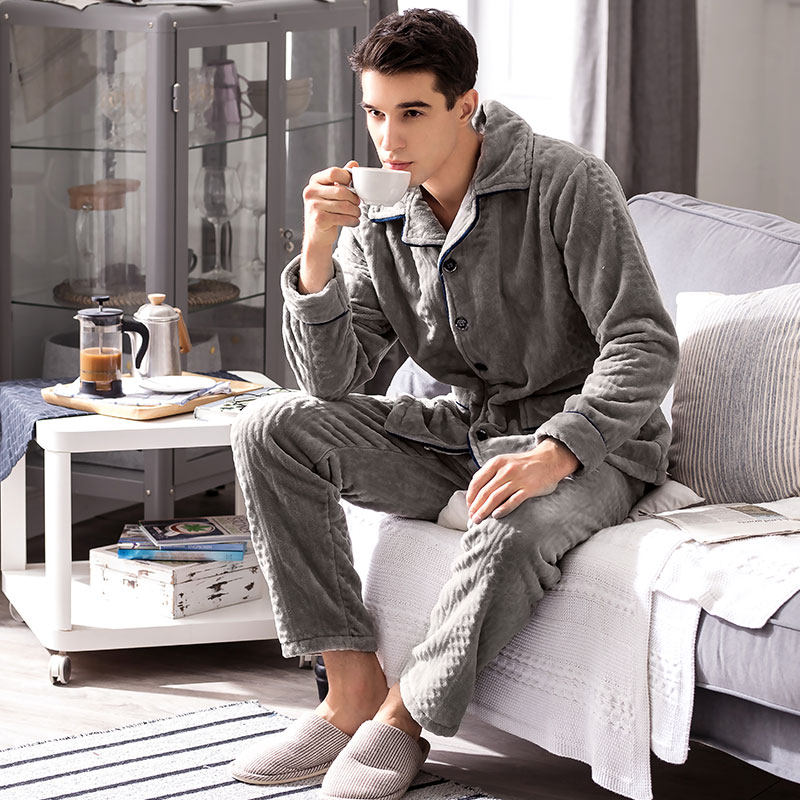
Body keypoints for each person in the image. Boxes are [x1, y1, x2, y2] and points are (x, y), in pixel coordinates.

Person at [230, 8, 679, 800]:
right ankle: (349, 693)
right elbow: (333, 384)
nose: (388, 139)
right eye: (375, 114)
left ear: (466, 105)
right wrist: (317, 253)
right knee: (269, 427)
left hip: (592, 446)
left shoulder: (565, 182)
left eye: (411, 113)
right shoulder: (381, 213)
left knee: (513, 524)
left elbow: (642, 342)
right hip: (468, 433)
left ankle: (402, 719)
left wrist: (556, 452)